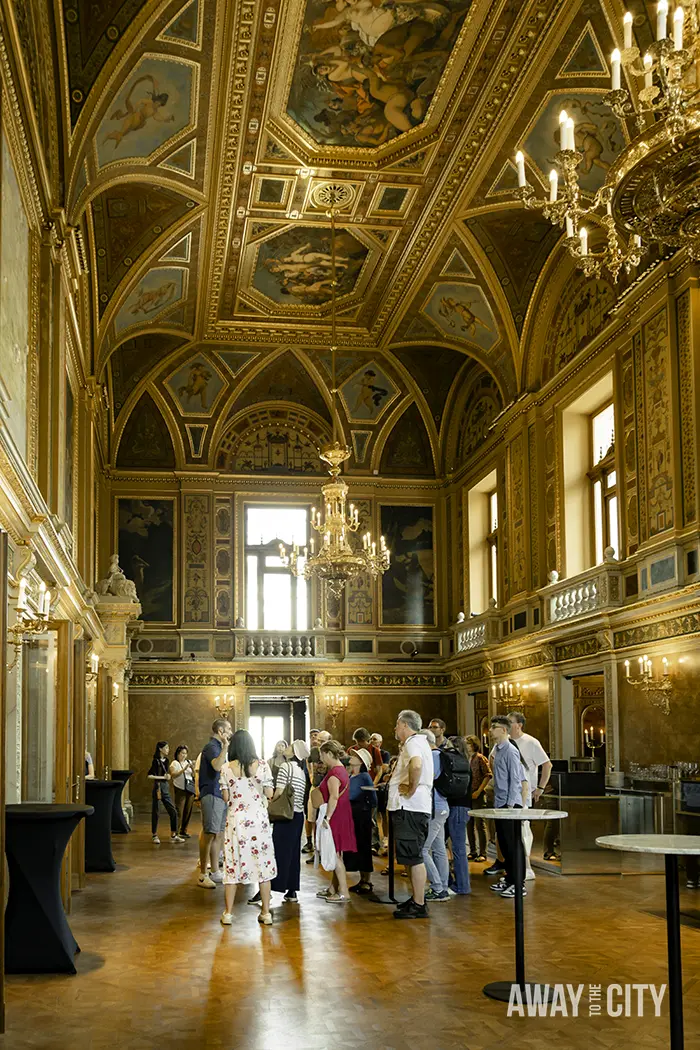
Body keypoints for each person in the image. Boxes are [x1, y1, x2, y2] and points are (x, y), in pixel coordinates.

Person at [219, 729, 276, 926]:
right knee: (263, 865)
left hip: (237, 822)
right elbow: (269, 793)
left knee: (232, 864)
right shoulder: (262, 766)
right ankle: (266, 913)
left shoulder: (226, 768)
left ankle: (228, 913)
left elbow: (226, 798)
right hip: (258, 821)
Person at [388, 710, 434, 920]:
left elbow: (416, 765)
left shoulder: (413, 742)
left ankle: (419, 903)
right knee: (409, 854)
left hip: (411, 807)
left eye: (397, 726)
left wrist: (412, 788)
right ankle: (416, 898)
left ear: (404, 725)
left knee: (414, 856)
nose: (396, 730)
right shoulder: (419, 742)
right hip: (411, 807)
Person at [507, 712, 553, 879]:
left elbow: (547, 765)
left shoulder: (531, 742)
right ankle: (515, 866)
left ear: (519, 725)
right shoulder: (506, 742)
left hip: (523, 794)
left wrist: (540, 787)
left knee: (523, 828)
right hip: (508, 794)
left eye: (510, 722)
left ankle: (526, 867)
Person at [488, 716, 529, 899]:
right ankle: (510, 878)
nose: (490, 730)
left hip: (509, 804)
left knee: (513, 845)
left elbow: (516, 779)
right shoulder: (497, 749)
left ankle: (518, 883)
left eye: (494, 727)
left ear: (504, 730)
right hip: (500, 802)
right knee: (504, 844)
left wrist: (512, 805)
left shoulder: (510, 751)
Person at [314, 739, 356, 903]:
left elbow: (333, 797)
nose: (321, 759)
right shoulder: (342, 770)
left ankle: (344, 892)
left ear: (329, 754)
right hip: (343, 813)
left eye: (322, 755)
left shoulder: (334, 774)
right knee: (337, 853)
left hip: (335, 815)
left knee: (335, 854)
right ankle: (333, 888)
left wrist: (327, 817)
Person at [269, 740, 309, 903]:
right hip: (298, 816)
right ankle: (292, 890)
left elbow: (279, 792)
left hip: (285, 815)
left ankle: (269, 889)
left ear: (294, 753)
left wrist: (270, 804)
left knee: (278, 852)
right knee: (293, 853)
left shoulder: (286, 767)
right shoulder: (301, 771)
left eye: (290, 747)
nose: (286, 748)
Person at [197, 719, 231, 888]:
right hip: (211, 793)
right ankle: (203, 874)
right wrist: (225, 747)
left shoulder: (219, 747)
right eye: (228, 729)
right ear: (220, 730)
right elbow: (217, 767)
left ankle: (215, 871)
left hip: (219, 794)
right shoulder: (212, 747)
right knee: (209, 832)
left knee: (218, 833)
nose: (230, 733)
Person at [419, 729, 450, 902]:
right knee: (439, 849)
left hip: (434, 807)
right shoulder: (441, 755)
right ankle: (442, 887)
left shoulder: (432, 757)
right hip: (442, 806)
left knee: (423, 849)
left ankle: (438, 887)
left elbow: (427, 780)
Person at [343, 748, 376, 895]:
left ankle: (367, 880)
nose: (352, 757)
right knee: (355, 847)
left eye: (356, 756)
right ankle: (362, 880)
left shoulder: (364, 776)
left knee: (363, 847)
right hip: (352, 815)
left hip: (361, 815)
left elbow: (373, 799)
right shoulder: (351, 776)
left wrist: (370, 816)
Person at [443, 736, 472, 895]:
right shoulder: (465, 761)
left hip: (456, 807)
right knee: (455, 847)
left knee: (457, 848)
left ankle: (461, 885)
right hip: (462, 806)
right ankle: (456, 883)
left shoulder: (454, 762)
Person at [147, 741, 183, 844]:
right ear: (160, 749)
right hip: (158, 787)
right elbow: (149, 775)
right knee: (156, 811)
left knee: (173, 811)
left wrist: (168, 777)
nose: (168, 750)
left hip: (165, 787)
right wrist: (163, 777)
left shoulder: (167, 761)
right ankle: (154, 835)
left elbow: (167, 774)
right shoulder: (155, 761)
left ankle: (174, 834)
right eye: (166, 748)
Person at [305, 729, 331, 862]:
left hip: (326, 790)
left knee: (325, 821)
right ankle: (316, 851)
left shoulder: (331, 752)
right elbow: (308, 761)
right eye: (318, 740)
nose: (319, 743)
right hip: (315, 788)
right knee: (313, 819)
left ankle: (326, 851)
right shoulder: (314, 751)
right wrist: (311, 774)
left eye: (322, 741)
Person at [466, 735, 491, 861]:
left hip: (478, 794)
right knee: (469, 824)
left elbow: (488, 775)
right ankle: (473, 850)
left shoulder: (480, 758)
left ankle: (483, 852)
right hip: (467, 795)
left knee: (479, 824)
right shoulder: (465, 758)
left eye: (468, 743)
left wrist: (479, 790)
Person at [169, 745, 195, 838]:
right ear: (177, 754)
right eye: (182, 753)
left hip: (190, 789)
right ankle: (175, 832)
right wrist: (183, 769)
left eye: (185, 753)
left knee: (188, 811)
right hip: (180, 789)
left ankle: (184, 830)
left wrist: (192, 768)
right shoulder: (174, 763)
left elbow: (193, 775)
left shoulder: (188, 762)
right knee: (179, 811)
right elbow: (173, 775)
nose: (184, 755)